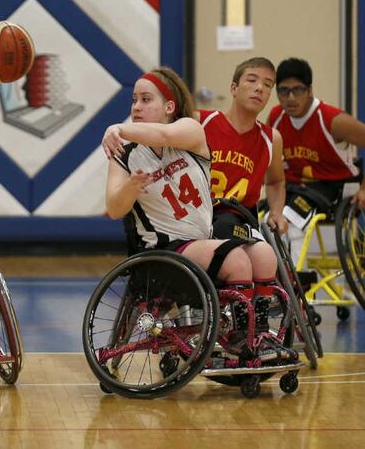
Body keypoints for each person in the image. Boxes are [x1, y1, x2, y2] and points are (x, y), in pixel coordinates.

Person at [102, 66, 293, 362]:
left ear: (169, 106)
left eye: (145, 99)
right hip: (163, 253)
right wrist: (131, 185)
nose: (136, 107)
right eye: (134, 100)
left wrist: (118, 128)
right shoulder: (124, 154)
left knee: (265, 254)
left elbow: (164, 133)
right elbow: (115, 208)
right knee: (237, 259)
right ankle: (242, 338)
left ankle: (261, 333)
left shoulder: (190, 130)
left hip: (203, 241)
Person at [267, 57, 365, 266]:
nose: (291, 97)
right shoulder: (276, 117)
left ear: (310, 90)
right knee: (265, 220)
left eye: (298, 90)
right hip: (296, 188)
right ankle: (272, 284)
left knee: (290, 222)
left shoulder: (333, 120)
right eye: (284, 91)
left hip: (335, 186)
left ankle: (295, 288)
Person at [199, 57, 288, 238]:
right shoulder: (201, 121)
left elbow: (275, 182)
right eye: (252, 80)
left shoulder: (271, 139)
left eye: (268, 84)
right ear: (234, 88)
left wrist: (276, 212)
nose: (259, 88)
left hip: (238, 220)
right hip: (195, 214)